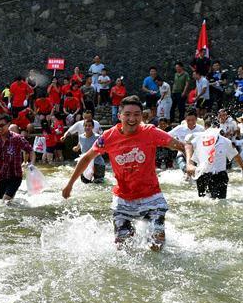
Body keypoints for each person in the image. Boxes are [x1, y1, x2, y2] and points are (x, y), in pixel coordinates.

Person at [62, 96, 185, 250]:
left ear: (141, 116)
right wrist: (70, 184)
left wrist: (190, 162)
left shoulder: (151, 132)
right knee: (123, 248)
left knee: (156, 244)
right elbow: (86, 158)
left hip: (152, 197)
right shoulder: (108, 137)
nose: (132, 119)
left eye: (136, 114)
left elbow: (182, 146)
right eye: (127, 114)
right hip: (123, 200)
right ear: (119, 116)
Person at [184, 127, 243, 199]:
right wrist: (189, 163)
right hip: (202, 175)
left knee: (219, 201)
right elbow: (188, 143)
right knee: (203, 201)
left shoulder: (226, 142)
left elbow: (236, 155)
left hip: (219, 176)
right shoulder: (199, 138)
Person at [72, 118, 105, 183]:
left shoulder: (98, 137)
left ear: (93, 127)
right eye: (85, 125)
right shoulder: (81, 137)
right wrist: (75, 148)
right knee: (85, 183)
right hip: (85, 164)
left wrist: (92, 157)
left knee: (98, 184)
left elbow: (103, 151)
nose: (87, 127)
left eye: (89, 126)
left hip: (98, 164)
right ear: (83, 126)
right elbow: (79, 146)